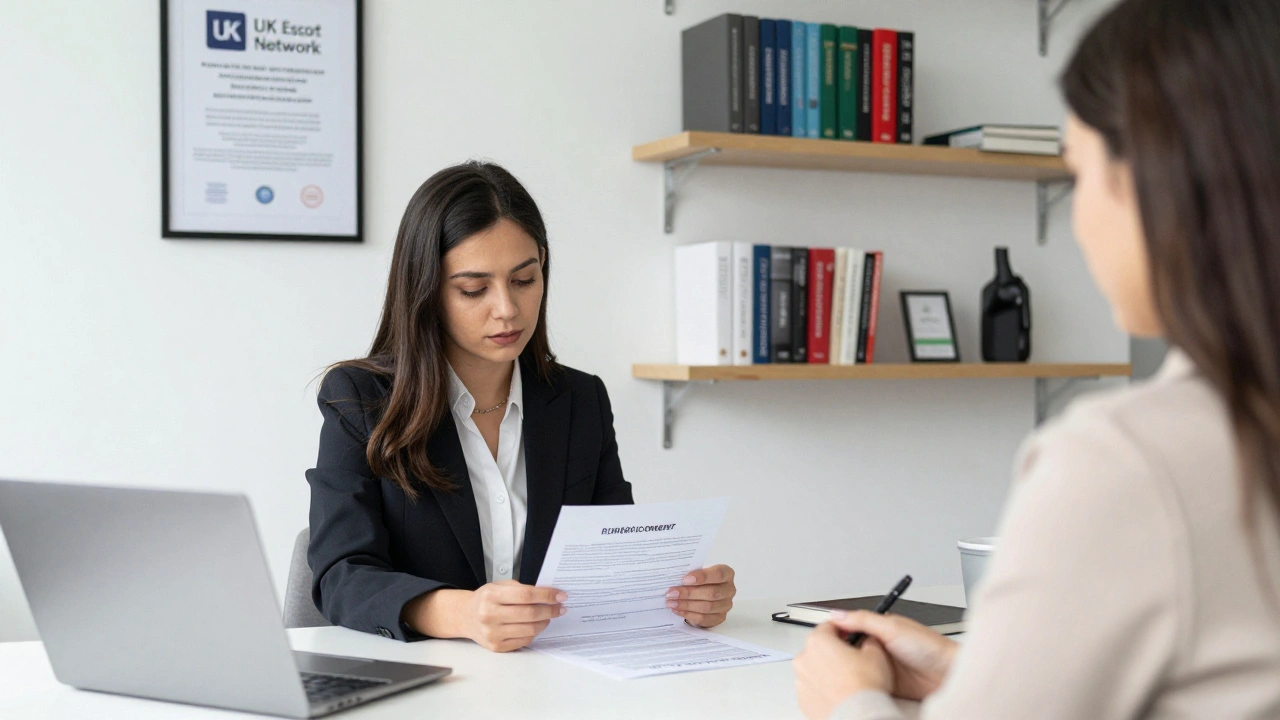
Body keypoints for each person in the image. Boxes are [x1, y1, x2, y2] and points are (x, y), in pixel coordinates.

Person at [794, 0, 1280, 716]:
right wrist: (978, 676)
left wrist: (849, 701)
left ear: (1155, 180)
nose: (1081, 221)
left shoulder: (1129, 459)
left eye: (1078, 174)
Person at [305, 162, 736, 652]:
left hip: (554, 679)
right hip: (427, 682)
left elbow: (615, 559)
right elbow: (340, 574)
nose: (507, 309)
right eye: (473, 289)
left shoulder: (580, 400)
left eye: (524, 280)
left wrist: (685, 598)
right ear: (425, 290)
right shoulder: (361, 398)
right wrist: (462, 612)